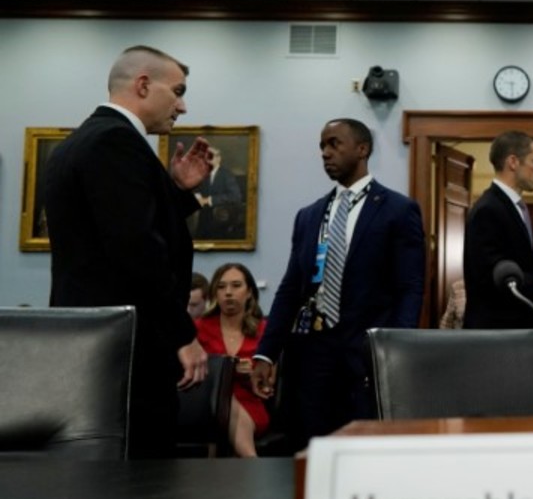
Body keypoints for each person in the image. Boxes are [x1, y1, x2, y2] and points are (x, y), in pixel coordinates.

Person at [44, 45, 211, 459]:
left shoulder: (80, 141)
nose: (182, 106)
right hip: (129, 348)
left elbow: (116, 231)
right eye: (178, 92)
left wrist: (176, 191)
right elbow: (138, 251)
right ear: (143, 85)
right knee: (141, 480)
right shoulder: (116, 142)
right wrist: (182, 334)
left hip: (92, 344)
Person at [250, 118, 425, 447]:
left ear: (362, 149)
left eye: (334, 144)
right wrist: (266, 353)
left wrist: (397, 349)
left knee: (365, 452)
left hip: (366, 356)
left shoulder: (398, 211)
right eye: (321, 146)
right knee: (312, 451)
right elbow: (290, 289)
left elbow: (410, 288)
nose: (325, 153)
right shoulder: (309, 215)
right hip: (312, 356)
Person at [462, 131, 533, 329]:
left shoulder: (515, 207)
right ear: (513, 162)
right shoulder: (488, 210)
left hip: (518, 330)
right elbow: (494, 282)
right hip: (497, 334)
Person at [194, 263, 268, 458]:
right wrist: (220, 370)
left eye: (236, 285)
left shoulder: (264, 331)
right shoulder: (197, 328)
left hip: (249, 402)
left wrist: (250, 375)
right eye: (221, 287)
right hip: (206, 403)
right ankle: (251, 461)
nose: (228, 292)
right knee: (221, 399)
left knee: (224, 403)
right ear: (214, 293)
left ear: (249, 292)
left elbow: (269, 385)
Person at [193, 146, 242, 239]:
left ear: (219, 159)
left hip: (221, 221)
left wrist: (209, 200)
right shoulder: (204, 174)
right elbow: (197, 190)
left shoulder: (227, 175)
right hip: (203, 221)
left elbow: (236, 196)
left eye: (211, 156)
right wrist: (198, 197)